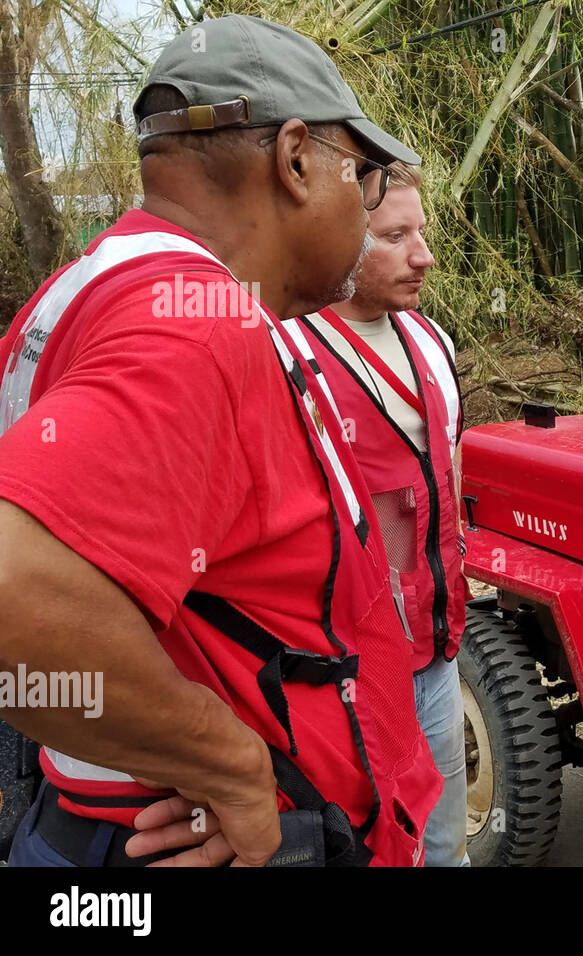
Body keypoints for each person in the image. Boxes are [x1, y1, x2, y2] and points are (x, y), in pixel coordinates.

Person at [0, 14, 439, 866]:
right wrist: (231, 767)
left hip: (99, 821)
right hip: (197, 839)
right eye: (369, 176)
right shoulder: (201, 327)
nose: (372, 203)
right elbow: (14, 593)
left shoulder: (80, 291)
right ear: (297, 159)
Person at [286, 160, 470, 867]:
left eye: (420, 232)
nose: (423, 255)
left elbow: (448, 479)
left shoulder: (432, 341)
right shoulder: (288, 350)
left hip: (438, 648)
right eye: (396, 237)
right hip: (347, 668)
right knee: (364, 843)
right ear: (338, 235)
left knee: (444, 841)